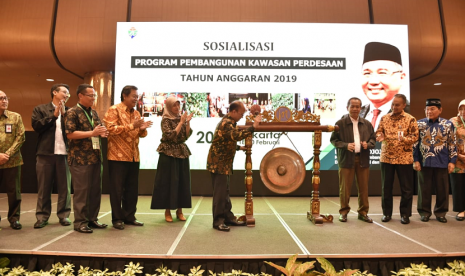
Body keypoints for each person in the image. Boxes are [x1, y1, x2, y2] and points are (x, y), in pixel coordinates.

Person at [207, 101, 261, 232]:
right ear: (234, 111)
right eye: (241, 114)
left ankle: (228, 217)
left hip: (223, 163)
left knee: (224, 192)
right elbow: (235, 136)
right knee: (220, 194)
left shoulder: (230, 122)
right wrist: (253, 126)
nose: (242, 116)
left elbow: (225, 141)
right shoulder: (226, 123)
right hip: (218, 163)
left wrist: (239, 147)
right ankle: (218, 222)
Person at [104, 85, 152, 230]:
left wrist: (142, 129)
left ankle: (130, 216)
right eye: (133, 96)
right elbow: (110, 129)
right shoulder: (114, 110)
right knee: (117, 190)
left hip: (133, 156)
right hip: (117, 157)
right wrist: (132, 126)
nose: (136, 99)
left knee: (132, 189)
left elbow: (140, 134)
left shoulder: (136, 113)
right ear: (124, 96)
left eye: (137, 97)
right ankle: (117, 219)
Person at [65, 84, 109, 233]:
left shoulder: (94, 113)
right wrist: (92, 133)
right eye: (91, 95)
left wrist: (103, 132)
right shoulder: (72, 112)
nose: (93, 98)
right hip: (80, 159)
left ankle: (92, 219)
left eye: (95, 96)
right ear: (80, 96)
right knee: (82, 192)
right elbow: (70, 134)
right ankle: (80, 222)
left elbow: (98, 128)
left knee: (95, 191)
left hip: (95, 157)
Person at [31, 83, 72, 228]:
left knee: (65, 188)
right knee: (44, 187)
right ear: (55, 92)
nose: (67, 95)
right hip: (45, 154)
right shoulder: (41, 109)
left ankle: (64, 215)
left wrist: (64, 115)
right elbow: (36, 126)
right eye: (64, 92)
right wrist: (53, 116)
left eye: (68, 94)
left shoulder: (70, 111)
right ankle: (42, 217)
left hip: (65, 154)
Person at [330, 97, 376, 223]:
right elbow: (333, 140)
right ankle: (344, 212)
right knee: (344, 189)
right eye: (352, 106)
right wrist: (345, 145)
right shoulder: (340, 123)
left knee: (364, 188)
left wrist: (368, 144)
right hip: (346, 160)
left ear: (360, 108)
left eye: (357, 106)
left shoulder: (367, 124)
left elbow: (373, 139)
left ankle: (363, 212)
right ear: (347, 108)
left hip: (363, 160)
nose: (355, 109)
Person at [375, 94, 418, 224]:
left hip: (404, 158)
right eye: (393, 104)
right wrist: (379, 136)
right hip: (386, 157)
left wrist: (404, 139)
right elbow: (378, 132)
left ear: (404, 105)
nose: (394, 106)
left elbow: (415, 137)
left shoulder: (410, 119)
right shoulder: (384, 118)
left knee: (406, 188)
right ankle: (386, 213)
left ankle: (405, 214)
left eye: (397, 104)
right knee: (386, 187)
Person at [413, 98, 457, 223]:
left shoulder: (448, 124)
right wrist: (415, 160)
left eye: (432, 109)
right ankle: (424, 212)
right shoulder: (419, 124)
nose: (429, 111)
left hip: (442, 161)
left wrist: (452, 161)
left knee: (442, 188)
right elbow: (415, 144)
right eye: (427, 109)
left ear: (440, 110)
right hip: (424, 161)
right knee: (424, 189)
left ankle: (441, 212)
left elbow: (452, 143)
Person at [151, 96, 193, 222]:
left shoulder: (181, 118)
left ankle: (180, 211)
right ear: (169, 106)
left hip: (181, 153)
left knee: (182, 182)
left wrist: (187, 122)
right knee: (168, 182)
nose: (177, 107)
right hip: (168, 154)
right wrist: (181, 122)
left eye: (178, 105)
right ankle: (167, 211)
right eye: (174, 105)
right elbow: (170, 136)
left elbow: (185, 136)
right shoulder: (165, 120)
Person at [359, 42, 408, 130]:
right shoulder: (357, 113)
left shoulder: (411, 113)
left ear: (401, 77)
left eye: (382, 73)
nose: (373, 81)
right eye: (367, 73)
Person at [0, 91, 25, 230]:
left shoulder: (15, 117)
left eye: (6, 98)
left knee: (14, 192)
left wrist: (6, 155)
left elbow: (21, 137)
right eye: (1, 99)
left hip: (13, 161)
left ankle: (14, 219)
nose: (4, 101)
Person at [449, 99, 465, 221]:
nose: (463, 111)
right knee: (458, 186)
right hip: (458, 159)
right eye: (461, 108)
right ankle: (461, 210)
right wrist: (458, 155)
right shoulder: (452, 122)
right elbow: (449, 141)